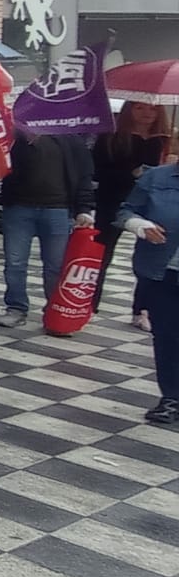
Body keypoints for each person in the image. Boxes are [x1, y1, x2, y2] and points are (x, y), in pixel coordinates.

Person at [0, 125, 97, 328]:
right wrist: (25, 141)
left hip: (58, 209)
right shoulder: (15, 137)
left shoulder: (71, 138)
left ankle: (55, 309)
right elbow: (4, 167)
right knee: (15, 262)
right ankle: (16, 307)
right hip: (19, 207)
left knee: (56, 265)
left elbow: (84, 175)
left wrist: (84, 209)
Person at [113, 162, 179, 424]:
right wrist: (139, 225)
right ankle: (171, 398)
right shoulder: (157, 177)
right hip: (162, 271)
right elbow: (125, 211)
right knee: (166, 336)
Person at [94, 102, 166, 327]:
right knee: (101, 254)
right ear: (129, 110)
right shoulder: (113, 136)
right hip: (113, 200)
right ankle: (89, 303)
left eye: (153, 109)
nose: (147, 114)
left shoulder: (162, 140)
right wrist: (131, 174)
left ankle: (142, 309)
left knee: (151, 257)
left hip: (152, 204)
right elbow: (98, 171)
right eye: (140, 108)